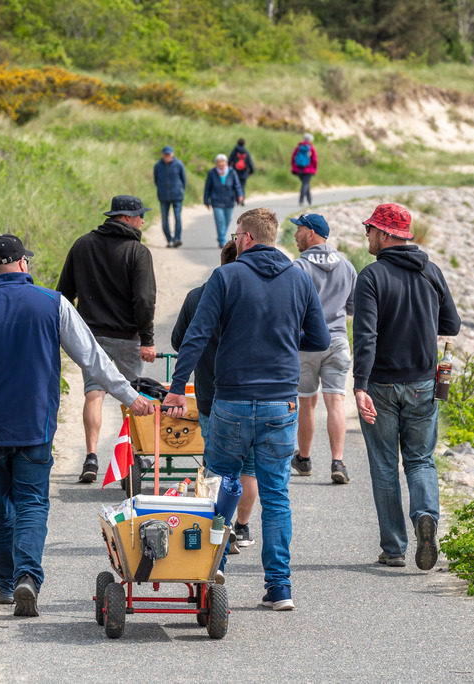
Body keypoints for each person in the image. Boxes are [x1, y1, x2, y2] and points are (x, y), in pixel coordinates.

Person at [0, 234, 153, 618]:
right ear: (23, 264)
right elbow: (93, 358)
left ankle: (5, 583)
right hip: (35, 423)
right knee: (33, 501)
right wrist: (129, 397)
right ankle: (27, 577)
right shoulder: (53, 304)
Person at [161, 208, 330, 611]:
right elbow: (319, 337)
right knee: (276, 495)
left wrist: (176, 390)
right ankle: (280, 587)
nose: (234, 240)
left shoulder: (226, 276)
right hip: (280, 402)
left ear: (248, 238)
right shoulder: (299, 278)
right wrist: (284, 337)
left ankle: (211, 569)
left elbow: (197, 335)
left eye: (237, 234)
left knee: (218, 487)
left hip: (232, 399)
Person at [352, 203, 460, 571]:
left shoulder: (371, 277)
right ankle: (425, 518)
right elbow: (453, 324)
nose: (366, 234)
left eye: (369, 229)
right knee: (420, 460)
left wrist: (359, 385)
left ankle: (394, 548)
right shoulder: (431, 271)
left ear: (384, 235)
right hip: (423, 384)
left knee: (384, 465)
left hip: (381, 384)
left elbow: (366, 337)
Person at [56, 195, 157, 484]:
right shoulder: (137, 252)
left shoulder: (82, 245)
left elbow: (63, 294)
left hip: (90, 337)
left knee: (94, 394)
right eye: (140, 215)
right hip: (127, 338)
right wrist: (147, 339)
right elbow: (144, 300)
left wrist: (64, 332)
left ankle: (91, 456)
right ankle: (134, 456)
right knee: (132, 397)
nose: (142, 220)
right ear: (126, 218)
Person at [171, 241, 257, 551]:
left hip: (210, 394)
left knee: (216, 465)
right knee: (249, 467)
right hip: (252, 395)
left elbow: (178, 340)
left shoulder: (197, 296)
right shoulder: (252, 295)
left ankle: (218, 526)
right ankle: (243, 527)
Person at [288, 213, 357, 485]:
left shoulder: (299, 267)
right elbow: (352, 308)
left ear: (312, 233)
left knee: (307, 401)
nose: (295, 235)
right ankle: (337, 461)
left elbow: (292, 307)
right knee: (335, 401)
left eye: (300, 229)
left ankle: (304, 459)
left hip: (307, 341)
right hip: (338, 339)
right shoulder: (348, 266)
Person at [203, 153, 244, 249]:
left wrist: (240, 195)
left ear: (226, 162)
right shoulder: (212, 173)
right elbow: (207, 188)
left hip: (229, 201)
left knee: (228, 220)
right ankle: (222, 240)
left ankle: (221, 236)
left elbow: (237, 185)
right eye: (218, 162)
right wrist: (206, 200)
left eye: (222, 161)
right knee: (220, 220)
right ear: (216, 163)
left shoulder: (232, 172)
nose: (220, 163)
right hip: (216, 201)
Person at [153, 145, 187, 248]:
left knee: (177, 217)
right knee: (164, 219)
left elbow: (183, 180)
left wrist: (180, 190)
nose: (167, 156)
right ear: (163, 155)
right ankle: (169, 240)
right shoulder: (158, 166)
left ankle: (177, 238)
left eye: (169, 154)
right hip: (163, 196)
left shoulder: (179, 164)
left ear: (172, 154)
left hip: (177, 195)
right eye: (165, 154)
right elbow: (156, 180)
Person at [290, 133, 318, 208]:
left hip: (299, 170)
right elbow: (315, 160)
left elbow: (293, 158)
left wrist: (293, 168)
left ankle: (309, 200)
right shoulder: (311, 148)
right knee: (305, 184)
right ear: (310, 140)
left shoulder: (298, 147)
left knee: (305, 183)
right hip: (308, 169)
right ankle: (301, 200)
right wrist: (315, 169)